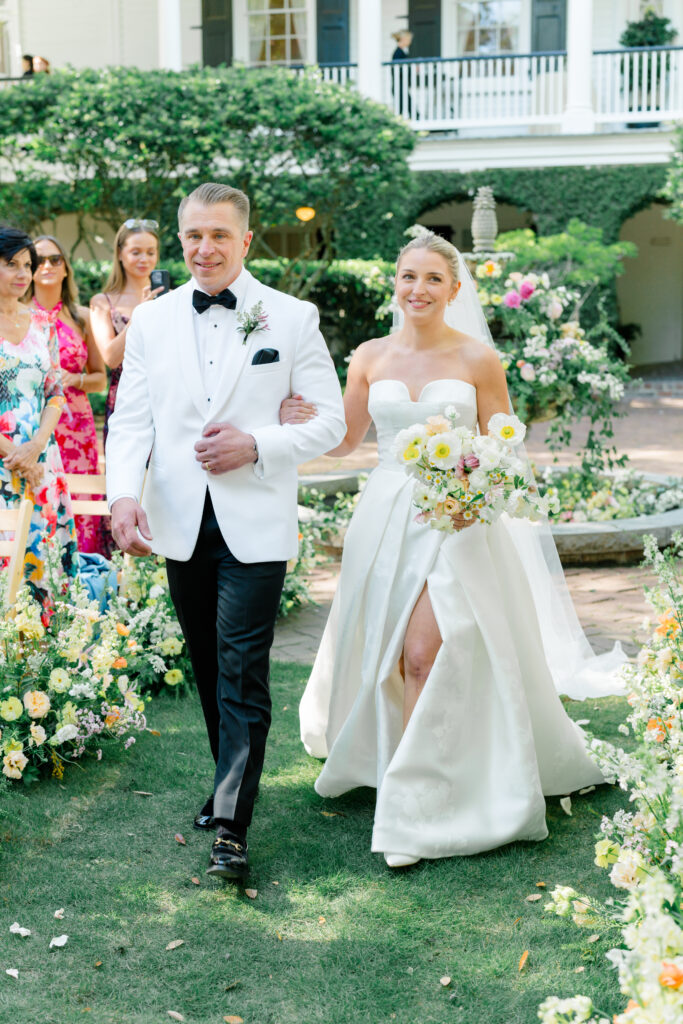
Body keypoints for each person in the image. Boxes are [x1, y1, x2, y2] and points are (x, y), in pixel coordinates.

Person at [290, 231, 626, 869]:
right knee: (386, 657)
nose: (417, 289)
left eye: (432, 279)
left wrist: (481, 491)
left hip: (457, 520)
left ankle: (418, 807)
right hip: (384, 520)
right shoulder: (367, 356)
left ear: (454, 289)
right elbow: (344, 438)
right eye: (407, 276)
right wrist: (292, 420)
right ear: (395, 282)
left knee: (424, 653)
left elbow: (504, 444)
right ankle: (402, 763)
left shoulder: (477, 359)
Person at [106, 182, 346, 881]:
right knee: (210, 667)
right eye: (192, 236)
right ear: (179, 241)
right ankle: (226, 782)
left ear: (245, 240)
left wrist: (260, 443)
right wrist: (124, 497)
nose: (204, 248)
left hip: (256, 520)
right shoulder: (150, 321)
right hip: (179, 521)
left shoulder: (291, 317)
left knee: (242, 669)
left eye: (218, 235)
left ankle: (231, 831)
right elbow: (131, 421)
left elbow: (327, 421)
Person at [0, 227, 77, 601]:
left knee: (45, 563)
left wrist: (37, 446)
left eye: (26, 265)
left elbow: (56, 392)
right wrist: (16, 456)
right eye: (10, 264)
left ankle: (51, 657)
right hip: (6, 461)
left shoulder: (43, 322)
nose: (22, 274)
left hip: (43, 460)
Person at [28, 235, 107, 554]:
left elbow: (101, 378)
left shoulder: (83, 317)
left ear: (66, 269)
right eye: (38, 260)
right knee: (40, 504)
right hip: (36, 427)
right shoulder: (16, 318)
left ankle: (84, 586)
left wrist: (75, 378)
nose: (46, 265)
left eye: (55, 259)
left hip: (78, 428)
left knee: (82, 503)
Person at [89, 219, 161, 447]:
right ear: (120, 253)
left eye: (151, 252)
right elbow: (110, 358)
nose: (144, 259)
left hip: (166, 398)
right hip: (125, 400)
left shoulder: (171, 298)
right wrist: (141, 313)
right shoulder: (103, 302)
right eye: (136, 252)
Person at [391, 30, 414, 117]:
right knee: (401, 110)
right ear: (403, 39)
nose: (410, 42)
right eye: (409, 40)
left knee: (409, 108)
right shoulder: (398, 53)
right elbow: (397, 69)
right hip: (398, 86)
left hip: (401, 86)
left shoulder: (402, 52)